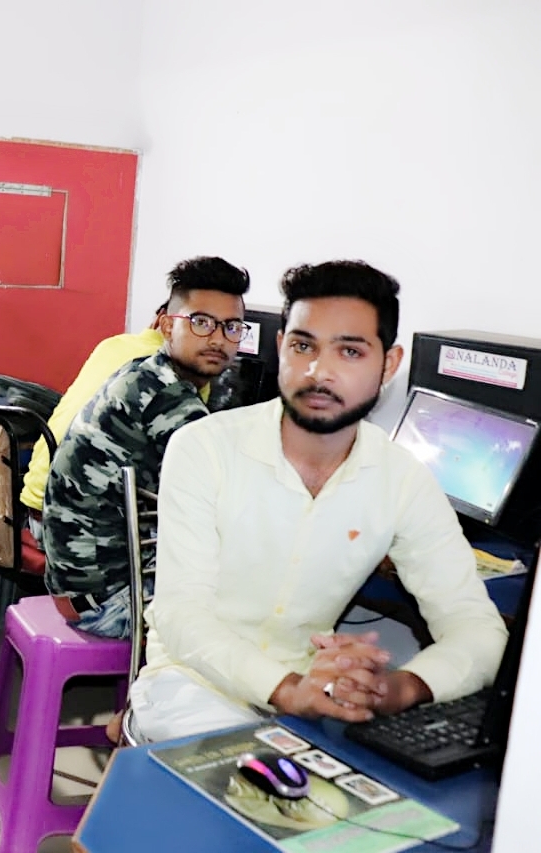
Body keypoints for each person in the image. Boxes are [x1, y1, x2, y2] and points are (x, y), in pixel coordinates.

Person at [127, 260, 508, 744]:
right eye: (303, 346)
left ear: (389, 364)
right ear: (281, 345)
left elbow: (478, 628)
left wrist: (401, 688)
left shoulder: (401, 477)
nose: (318, 371)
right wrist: (285, 689)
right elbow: (181, 615)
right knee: (258, 779)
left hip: (313, 690)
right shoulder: (205, 447)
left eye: (350, 351)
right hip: (192, 683)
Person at [41, 257, 250, 639]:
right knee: (263, 602)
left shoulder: (145, 371)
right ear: (168, 325)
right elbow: (234, 505)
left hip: (78, 588)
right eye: (201, 322)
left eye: (232, 327)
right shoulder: (168, 399)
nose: (218, 339)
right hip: (110, 602)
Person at [19, 307, 167, 540]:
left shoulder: (112, 345)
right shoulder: (170, 372)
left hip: (35, 506)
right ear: (166, 321)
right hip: (71, 532)